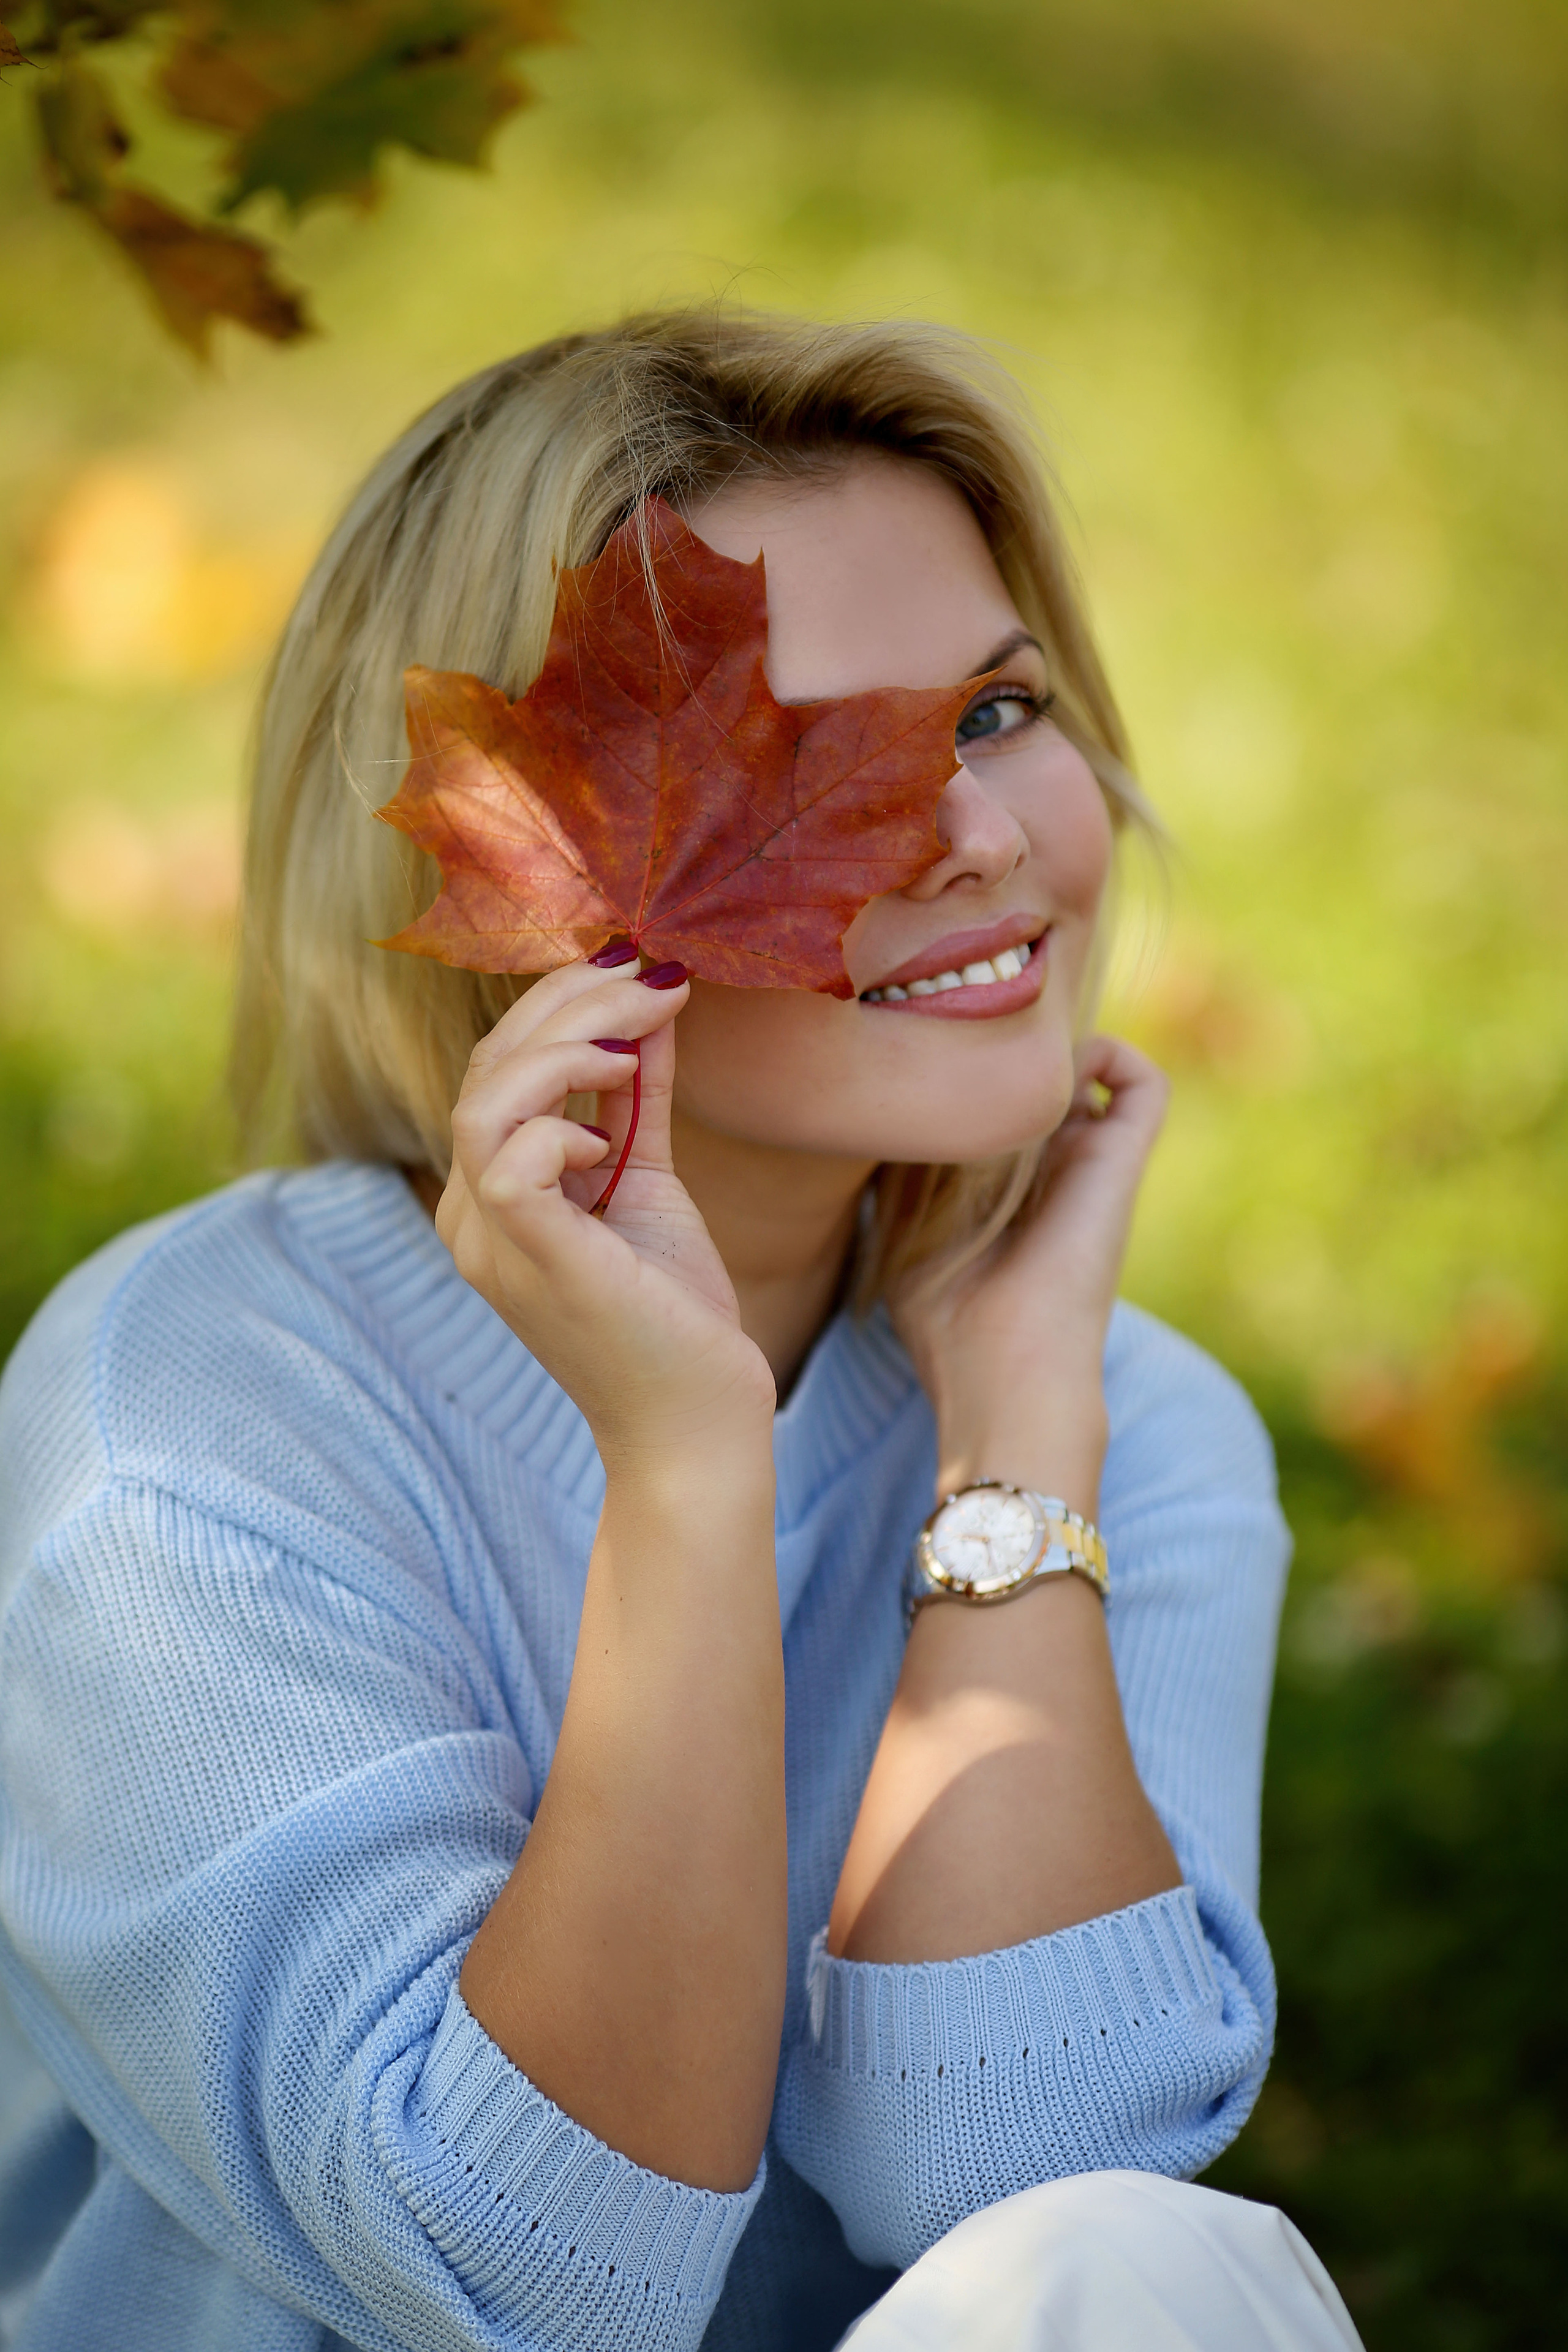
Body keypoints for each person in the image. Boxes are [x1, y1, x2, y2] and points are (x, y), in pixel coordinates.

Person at [0, 311, 1362, 2352]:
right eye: (820, 764)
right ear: (531, 879)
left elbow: (1027, 2181)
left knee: (1151, 2269)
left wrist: (1009, 1446)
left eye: (997, 711)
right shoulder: (189, 1413)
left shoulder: (1112, 1414)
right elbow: (533, 2287)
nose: (981, 837)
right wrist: (689, 1462)